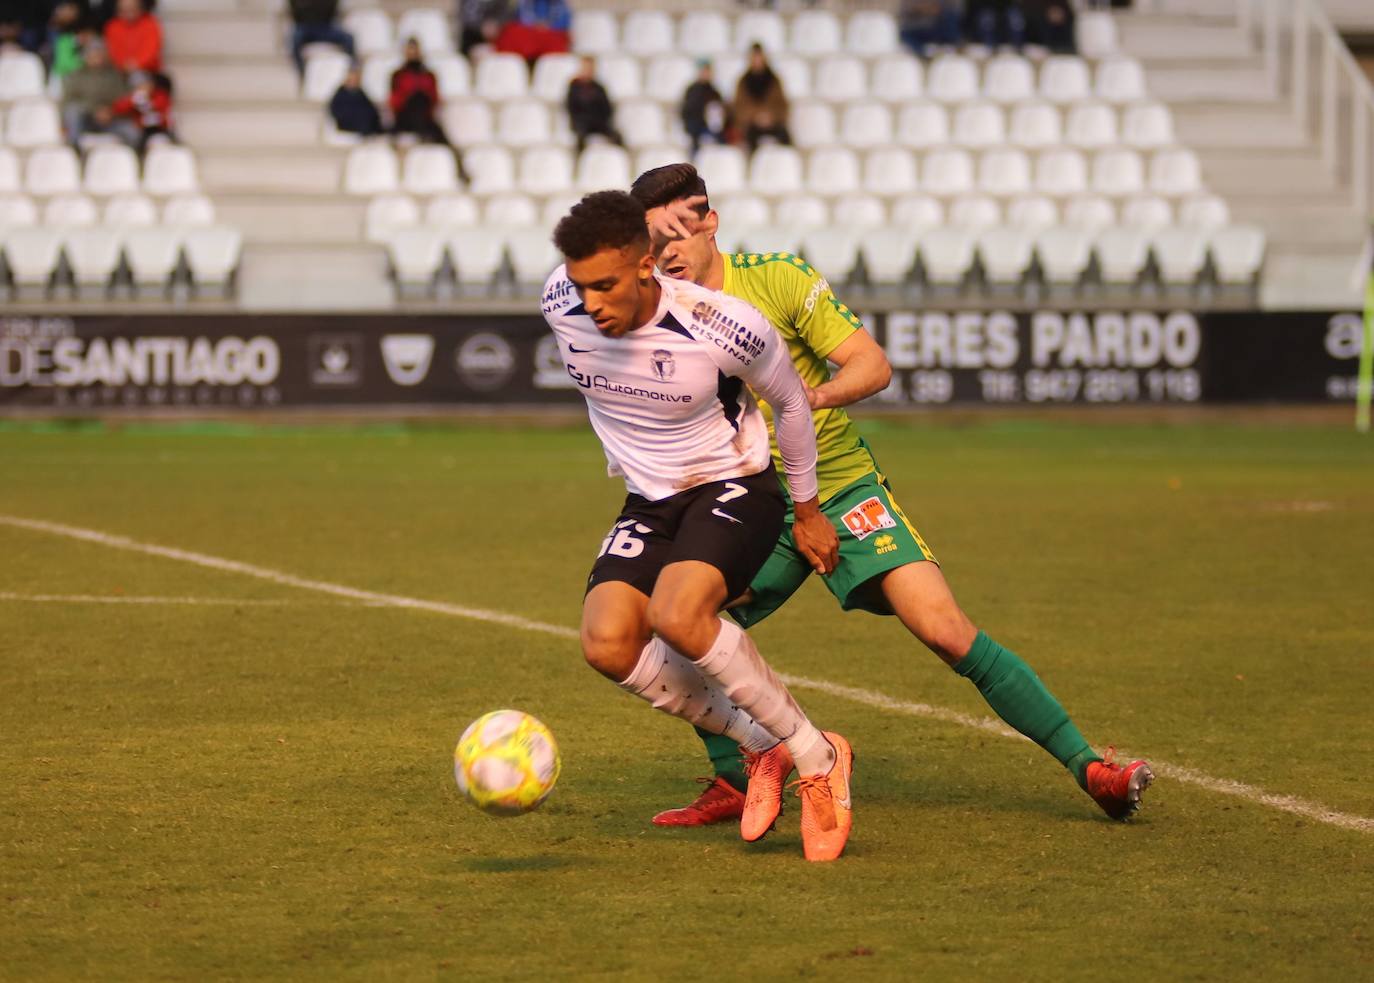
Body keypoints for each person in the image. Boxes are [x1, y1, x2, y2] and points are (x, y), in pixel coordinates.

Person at [629, 163, 1155, 828]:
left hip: (840, 483)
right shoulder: (656, 316)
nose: (667, 250)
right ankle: (738, 775)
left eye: (678, 229)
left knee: (945, 629)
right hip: (749, 499)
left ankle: (1091, 768)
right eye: (652, 238)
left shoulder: (777, 278)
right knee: (677, 627)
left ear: (709, 221)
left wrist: (803, 400)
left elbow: (872, 365)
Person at [542, 190, 855, 863]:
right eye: (579, 285)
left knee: (679, 614)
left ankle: (816, 754)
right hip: (649, 501)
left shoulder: (722, 325)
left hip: (737, 486)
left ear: (645, 267)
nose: (589, 302)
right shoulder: (558, 303)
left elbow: (792, 407)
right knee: (606, 641)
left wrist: (806, 508)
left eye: (605, 284)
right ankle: (760, 741)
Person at [60, 37, 133, 145]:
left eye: (99, 54)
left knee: (131, 132)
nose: (96, 58)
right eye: (93, 54)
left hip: (110, 119)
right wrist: (94, 111)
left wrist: (111, 111)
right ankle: (74, 150)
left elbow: (124, 99)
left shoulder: (114, 75)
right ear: (86, 56)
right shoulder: (76, 75)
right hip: (86, 119)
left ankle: (134, 158)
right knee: (73, 111)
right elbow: (68, 101)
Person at [389, 38, 450, 144]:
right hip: (404, 117)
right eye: (409, 49)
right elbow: (394, 101)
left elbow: (434, 98)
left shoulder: (429, 75)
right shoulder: (397, 75)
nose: (412, 53)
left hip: (425, 117)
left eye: (414, 49)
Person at [732, 43, 789, 154]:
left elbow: (782, 106)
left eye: (759, 57)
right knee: (747, 139)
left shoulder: (774, 80)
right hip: (751, 125)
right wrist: (756, 117)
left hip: (773, 123)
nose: (757, 61)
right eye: (755, 57)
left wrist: (770, 117)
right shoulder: (743, 82)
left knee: (785, 136)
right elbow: (738, 108)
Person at [565, 55, 622, 155]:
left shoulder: (599, 87)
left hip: (598, 121)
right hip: (582, 122)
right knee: (580, 137)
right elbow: (571, 107)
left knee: (617, 136)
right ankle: (579, 159)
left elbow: (606, 108)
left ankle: (618, 158)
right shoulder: (574, 86)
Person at [109, 69, 174, 154]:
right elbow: (118, 108)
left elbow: (162, 116)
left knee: (158, 142)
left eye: (145, 85)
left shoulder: (160, 96)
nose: (143, 88)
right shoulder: (132, 98)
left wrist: (147, 104)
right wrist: (133, 101)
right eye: (139, 86)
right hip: (140, 133)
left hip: (157, 131)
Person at [287, 0, 354, 77]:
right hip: (304, 26)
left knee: (348, 38)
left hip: (325, 26)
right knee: (295, 39)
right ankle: (302, 71)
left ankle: (352, 69)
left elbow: (332, 11)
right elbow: (295, 11)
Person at [680, 59, 728, 156]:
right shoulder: (692, 91)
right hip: (695, 125)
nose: (706, 74)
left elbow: (720, 111)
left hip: (710, 126)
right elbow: (686, 111)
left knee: (721, 138)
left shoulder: (715, 92)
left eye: (708, 71)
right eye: (704, 71)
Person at [495, 0, 569, 63]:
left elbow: (563, 22)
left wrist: (546, 26)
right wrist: (535, 25)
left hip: (550, 35)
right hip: (529, 34)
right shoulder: (524, 3)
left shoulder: (560, 4)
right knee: (511, 32)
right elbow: (521, 18)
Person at [103, 0, 161, 73]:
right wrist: (123, 64)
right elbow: (113, 50)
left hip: (146, 69)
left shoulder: (150, 24)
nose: (129, 14)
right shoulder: (113, 26)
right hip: (119, 69)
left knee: (138, 77)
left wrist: (137, 64)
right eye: (124, 10)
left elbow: (151, 49)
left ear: (140, 8)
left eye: (132, 9)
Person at [329, 65, 381, 137]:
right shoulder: (340, 94)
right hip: (347, 124)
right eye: (352, 78)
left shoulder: (360, 93)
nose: (354, 81)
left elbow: (370, 109)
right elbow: (336, 110)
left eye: (356, 79)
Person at [898, 0, 963, 56]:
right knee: (904, 33)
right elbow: (904, 12)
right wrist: (922, 8)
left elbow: (955, 8)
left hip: (940, 27)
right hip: (917, 29)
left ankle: (952, 48)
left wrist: (939, 8)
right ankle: (923, 52)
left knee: (950, 19)